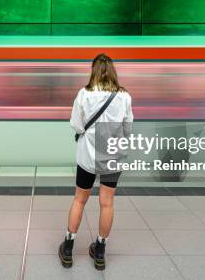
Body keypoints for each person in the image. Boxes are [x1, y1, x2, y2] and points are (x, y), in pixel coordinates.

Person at [58, 53, 134, 271]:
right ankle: (100, 252)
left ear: (93, 71)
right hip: (112, 154)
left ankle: (69, 248)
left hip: (88, 156)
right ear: (113, 71)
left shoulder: (84, 94)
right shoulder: (124, 97)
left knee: (79, 199)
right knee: (107, 202)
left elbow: (77, 125)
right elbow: (128, 128)